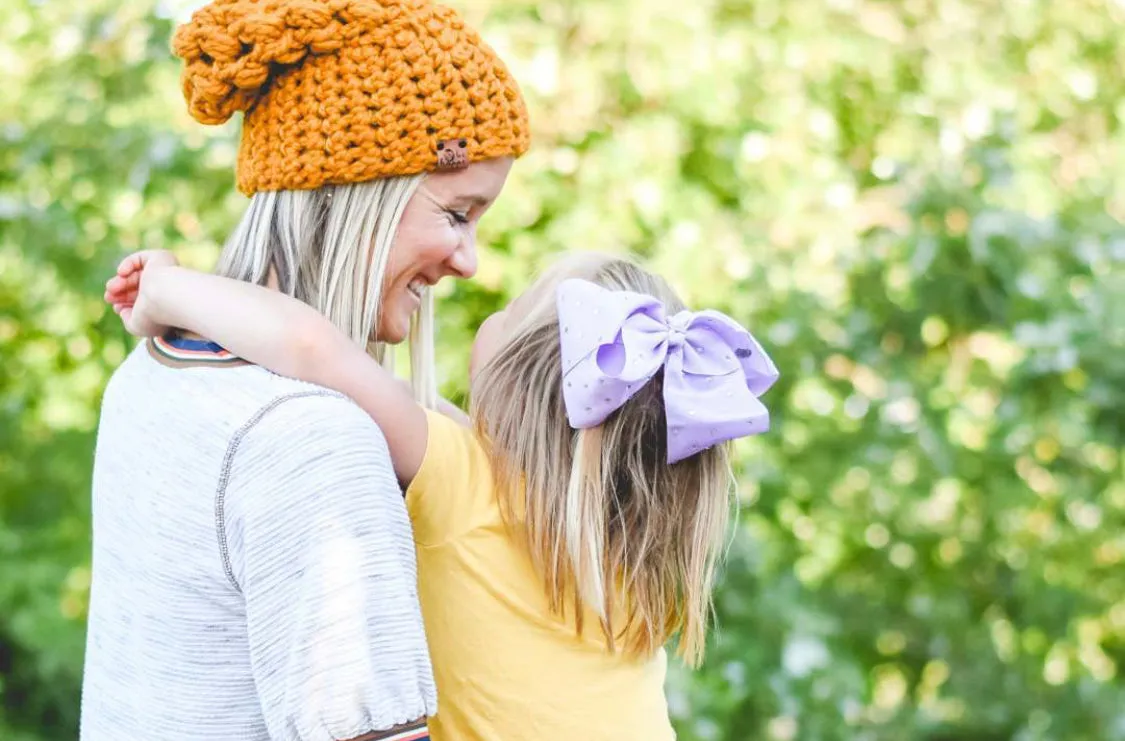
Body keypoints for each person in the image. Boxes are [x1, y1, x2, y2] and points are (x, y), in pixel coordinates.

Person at [103, 247, 781, 740]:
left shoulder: (460, 481)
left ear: (520, 374)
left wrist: (167, 290)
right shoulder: (630, 557)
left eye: (513, 305)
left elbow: (312, 347)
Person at [80, 0, 529, 738]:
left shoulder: (154, 372)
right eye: (456, 213)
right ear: (361, 195)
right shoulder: (314, 439)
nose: (468, 261)